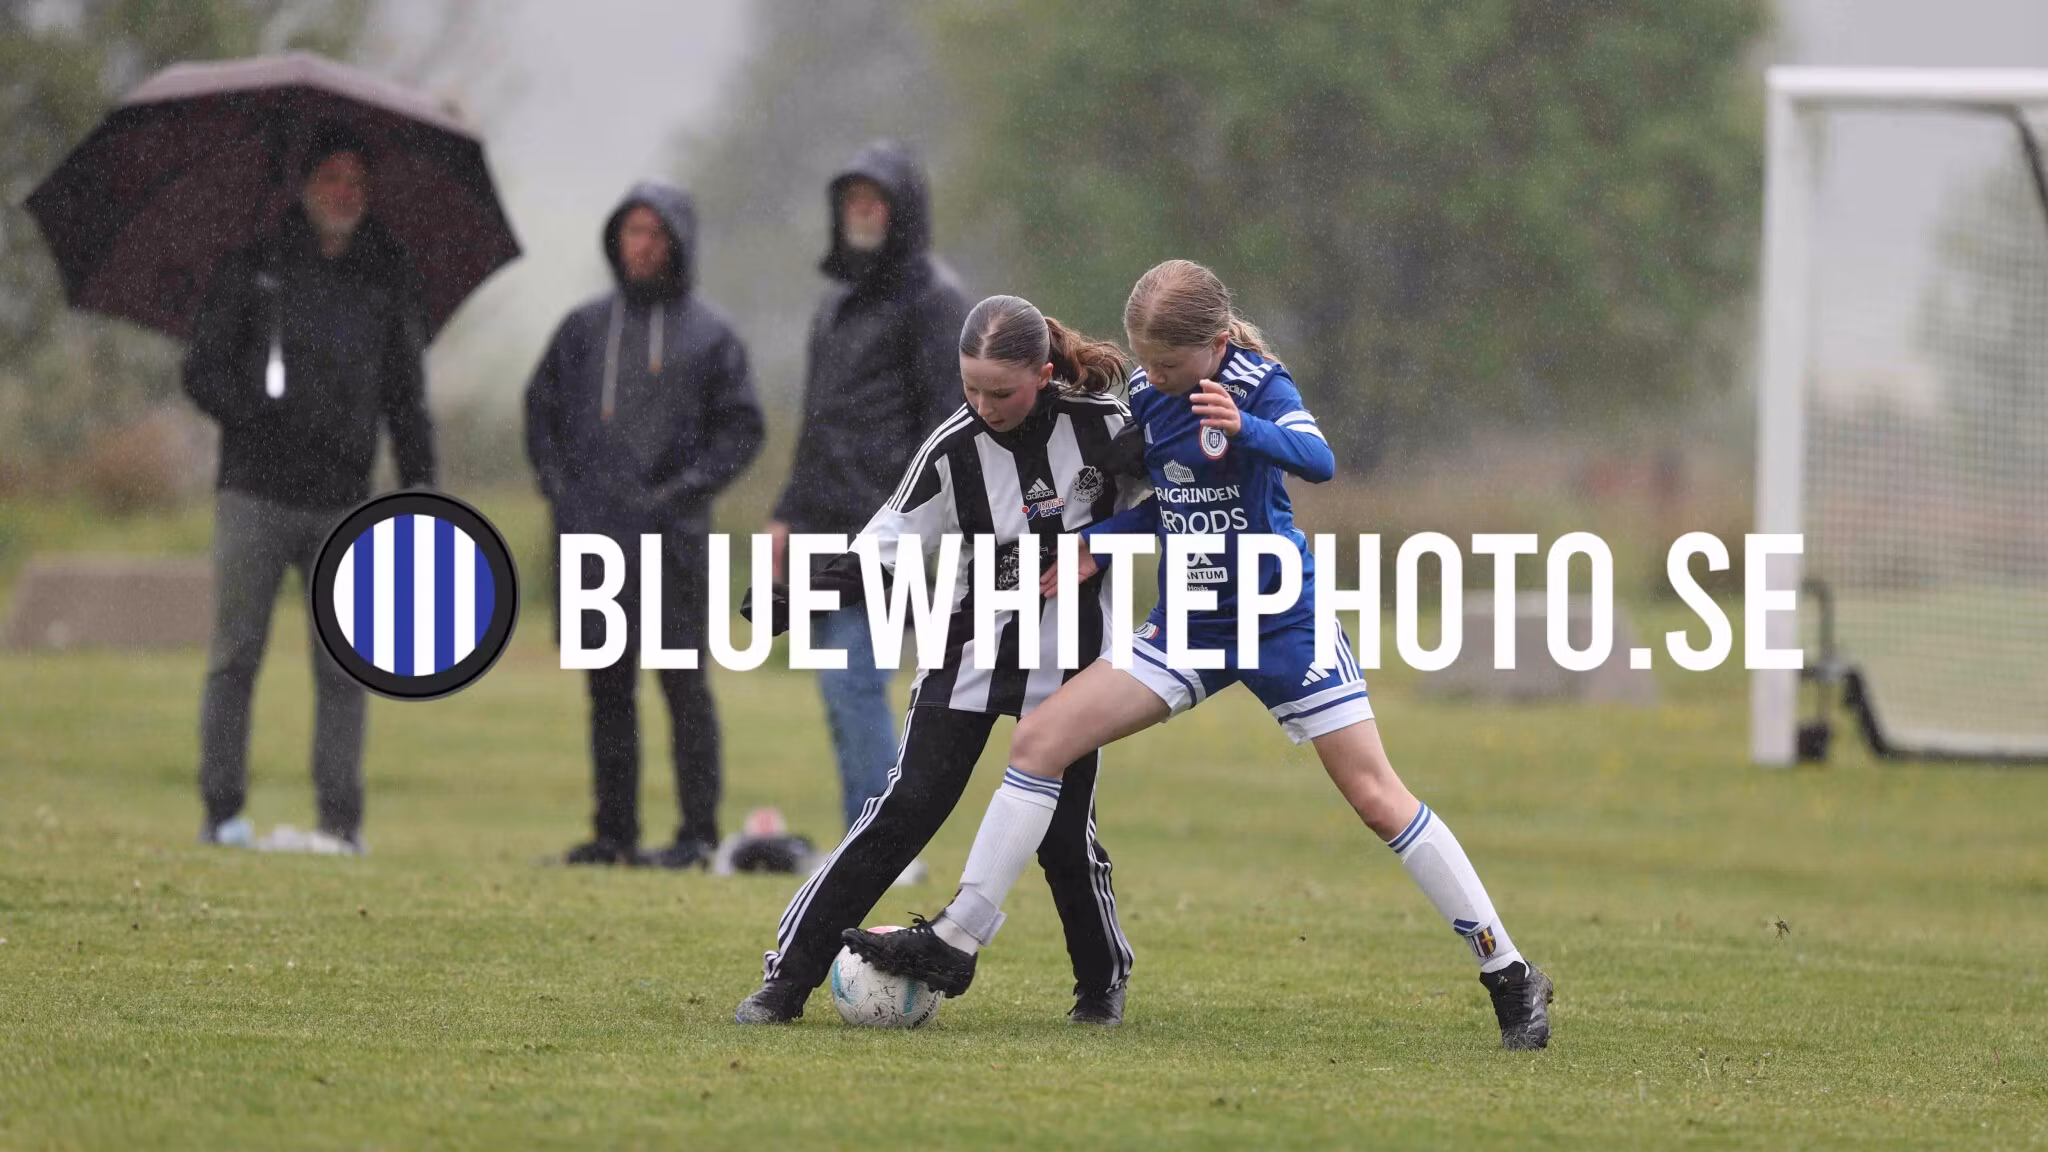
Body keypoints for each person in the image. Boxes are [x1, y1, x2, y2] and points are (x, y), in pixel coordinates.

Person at [844, 260, 1556, 1050]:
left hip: (1280, 618)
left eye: (1170, 365)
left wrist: (1245, 427)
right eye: (1146, 363)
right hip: (1189, 622)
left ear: (1216, 345)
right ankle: (957, 940)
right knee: (1040, 741)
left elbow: (1317, 460)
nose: (1153, 379)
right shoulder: (1150, 396)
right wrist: (1098, 542)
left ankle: (1509, 970)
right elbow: (1176, 511)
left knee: (1375, 797)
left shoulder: (1256, 384)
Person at [735, 296, 1145, 1026]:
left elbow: (1178, 503)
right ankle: (786, 982)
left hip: (1075, 667)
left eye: (1002, 392)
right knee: (905, 811)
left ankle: (1099, 986)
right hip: (970, 655)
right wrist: (797, 598)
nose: (984, 406)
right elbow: (885, 547)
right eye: (970, 388)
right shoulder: (951, 450)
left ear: (1043, 374)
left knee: (1063, 835)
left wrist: (1105, 544)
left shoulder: (1105, 426)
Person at [183, 123, 434, 856]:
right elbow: (200, 371)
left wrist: (421, 486)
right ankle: (222, 813)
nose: (345, 194)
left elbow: (405, 395)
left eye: (357, 183)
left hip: (345, 501)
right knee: (236, 657)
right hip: (254, 494)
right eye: (332, 179)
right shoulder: (254, 267)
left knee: (344, 669)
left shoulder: (385, 278)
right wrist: (254, 413)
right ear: (304, 185)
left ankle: (340, 822)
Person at [525, 181, 765, 868]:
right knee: (607, 689)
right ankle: (614, 835)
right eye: (633, 231)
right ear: (616, 239)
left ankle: (697, 835)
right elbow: (540, 411)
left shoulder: (712, 335)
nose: (644, 245)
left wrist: (681, 493)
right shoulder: (582, 330)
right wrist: (563, 497)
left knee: (684, 686)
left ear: (679, 243)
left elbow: (742, 429)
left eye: (657, 233)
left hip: (675, 542)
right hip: (592, 539)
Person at [767, 141, 970, 837]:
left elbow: (948, 424)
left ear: (902, 209)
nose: (862, 211)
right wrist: (785, 513)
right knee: (839, 691)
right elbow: (817, 420)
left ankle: (884, 847)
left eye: (875, 199)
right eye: (853, 199)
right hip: (822, 528)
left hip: (886, 533)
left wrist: (910, 526)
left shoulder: (935, 301)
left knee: (855, 682)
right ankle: (868, 840)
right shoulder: (836, 303)